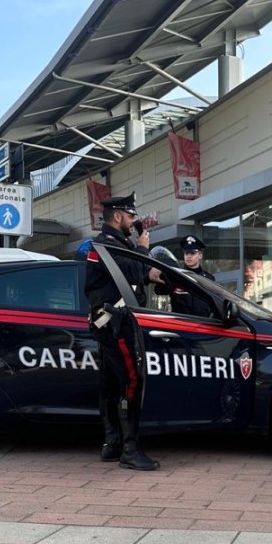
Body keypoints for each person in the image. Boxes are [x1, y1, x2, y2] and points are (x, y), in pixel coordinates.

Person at [83, 193, 162, 471]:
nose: (134, 222)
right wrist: (142, 248)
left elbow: (134, 274)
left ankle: (113, 444)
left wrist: (149, 273)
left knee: (112, 384)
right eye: (130, 217)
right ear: (117, 216)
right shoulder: (106, 245)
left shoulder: (112, 244)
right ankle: (130, 449)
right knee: (132, 381)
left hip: (110, 325)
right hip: (116, 325)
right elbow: (131, 270)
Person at [167, 235, 214, 316]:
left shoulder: (209, 279)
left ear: (200, 255)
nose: (188, 256)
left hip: (203, 324)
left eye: (192, 253)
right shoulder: (177, 276)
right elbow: (159, 290)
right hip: (181, 324)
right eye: (186, 253)